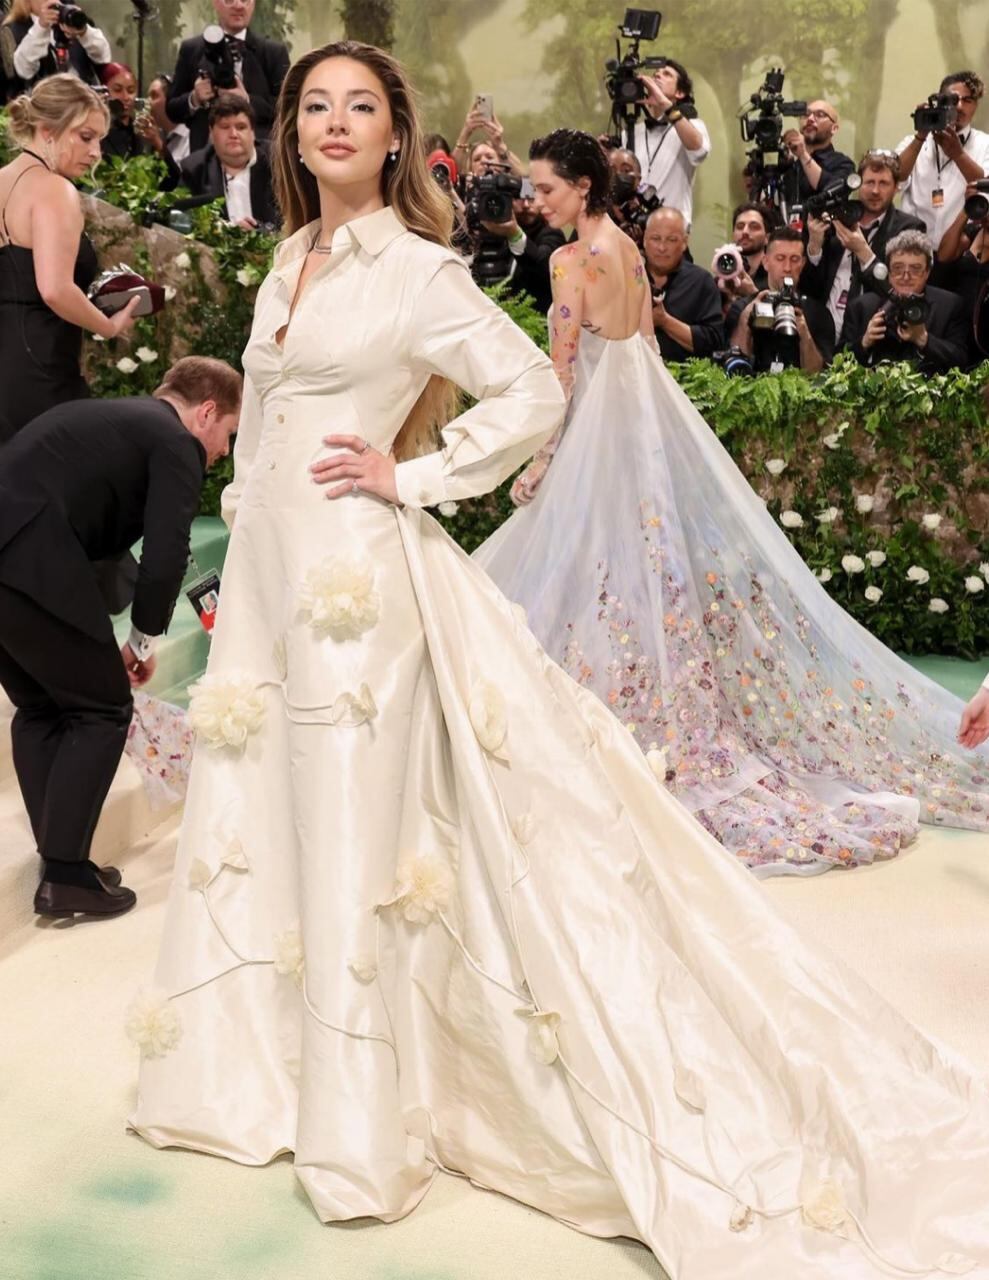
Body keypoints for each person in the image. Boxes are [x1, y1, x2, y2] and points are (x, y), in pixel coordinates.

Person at [128, 51, 989, 1276]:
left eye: (357, 107)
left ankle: (365, 1108)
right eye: (311, 104)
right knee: (271, 811)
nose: (329, 122)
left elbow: (530, 388)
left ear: (393, 138)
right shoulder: (284, 259)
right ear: (286, 131)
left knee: (353, 821)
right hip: (272, 586)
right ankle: (265, 1065)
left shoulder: (420, 270)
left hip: (352, 591)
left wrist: (410, 477)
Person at [476, 124, 988, 876]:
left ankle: (606, 715)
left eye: (545, 187)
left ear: (581, 187)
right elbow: (643, 350)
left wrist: (537, 466)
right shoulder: (622, 249)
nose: (533, 199)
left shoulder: (568, 261)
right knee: (639, 572)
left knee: (581, 573)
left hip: (593, 436)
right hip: (637, 431)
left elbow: (561, 378)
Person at [0, 356, 241, 920]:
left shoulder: (119, 422)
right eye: (229, 433)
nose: (225, 451)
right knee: (103, 706)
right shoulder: (174, 442)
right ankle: (64, 873)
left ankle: (63, 859)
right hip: (28, 552)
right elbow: (165, 554)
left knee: (41, 706)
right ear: (206, 411)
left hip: (13, 548)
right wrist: (142, 641)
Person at [0, 75, 139, 445]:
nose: (96, 152)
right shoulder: (55, 190)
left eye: (100, 140)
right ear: (48, 130)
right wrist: (108, 327)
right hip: (41, 370)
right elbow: (55, 289)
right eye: (85, 137)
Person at [803, 150, 926, 343]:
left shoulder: (909, 228)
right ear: (858, 184)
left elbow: (899, 290)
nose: (875, 191)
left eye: (883, 183)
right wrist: (814, 248)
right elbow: (810, 289)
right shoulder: (835, 219)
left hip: (872, 334)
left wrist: (863, 252)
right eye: (869, 182)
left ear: (896, 188)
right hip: (824, 332)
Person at [166, 0, 290, 155]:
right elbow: (171, 109)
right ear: (216, 3)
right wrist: (194, 98)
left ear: (253, 4)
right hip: (205, 160)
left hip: (260, 160)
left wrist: (247, 100)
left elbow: (287, 108)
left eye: (245, 0)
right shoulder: (191, 49)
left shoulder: (273, 52)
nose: (238, 5)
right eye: (230, 0)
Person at [842, 229, 969, 372]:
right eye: (897, 268)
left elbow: (961, 360)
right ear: (887, 272)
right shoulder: (861, 306)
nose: (906, 276)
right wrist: (864, 342)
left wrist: (924, 340)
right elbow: (838, 364)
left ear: (927, 272)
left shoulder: (950, 305)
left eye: (915, 269)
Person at [895, 70, 989, 247]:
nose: (959, 106)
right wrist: (921, 136)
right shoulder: (913, 142)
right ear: (938, 101)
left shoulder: (985, 145)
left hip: (959, 249)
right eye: (952, 100)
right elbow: (895, 179)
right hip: (914, 250)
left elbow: (985, 187)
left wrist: (958, 155)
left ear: (975, 106)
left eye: (967, 100)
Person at [727, 227, 834, 372]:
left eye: (794, 259)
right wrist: (746, 319)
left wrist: (804, 333)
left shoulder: (818, 313)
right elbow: (734, 367)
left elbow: (818, 375)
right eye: (780, 258)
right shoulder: (742, 307)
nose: (787, 267)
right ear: (765, 262)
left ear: (802, 264)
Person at [626, 58, 709, 226]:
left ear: (680, 93)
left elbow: (699, 151)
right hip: (633, 230)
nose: (657, 76)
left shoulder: (692, 125)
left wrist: (666, 106)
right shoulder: (631, 132)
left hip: (673, 230)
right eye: (655, 74)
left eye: (666, 74)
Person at [179, 93, 279, 229]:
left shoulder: (277, 163)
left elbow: (291, 219)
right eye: (225, 127)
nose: (233, 134)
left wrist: (261, 231)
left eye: (241, 127)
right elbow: (183, 222)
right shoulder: (194, 169)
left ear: (252, 132)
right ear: (211, 134)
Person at [641, 205, 723, 362]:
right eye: (655, 238)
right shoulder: (629, 277)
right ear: (644, 240)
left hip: (686, 380)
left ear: (685, 242)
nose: (662, 247)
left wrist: (665, 321)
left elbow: (714, 342)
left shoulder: (701, 282)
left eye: (671, 240)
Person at [0, 0, 110, 100]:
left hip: (83, 105)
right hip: (41, 109)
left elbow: (103, 57)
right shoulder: (11, 29)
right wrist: (41, 27)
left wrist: (84, 32)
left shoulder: (71, 18)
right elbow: (24, 71)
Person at [781, 100, 854, 206]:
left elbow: (830, 190)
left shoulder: (843, 164)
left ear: (834, 128)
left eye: (820, 115)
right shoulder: (792, 167)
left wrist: (803, 154)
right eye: (806, 114)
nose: (810, 119)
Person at [99, 62, 168, 163]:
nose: (126, 97)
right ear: (104, 92)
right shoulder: (98, 133)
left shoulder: (142, 132)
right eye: (117, 90)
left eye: (131, 91)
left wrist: (156, 141)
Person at [148, 73, 191, 164]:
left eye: (154, 96)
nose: (148, 102)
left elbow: (184, 177)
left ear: (170, 98)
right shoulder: (160, 134)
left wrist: (158, 143)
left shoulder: (191, 136)